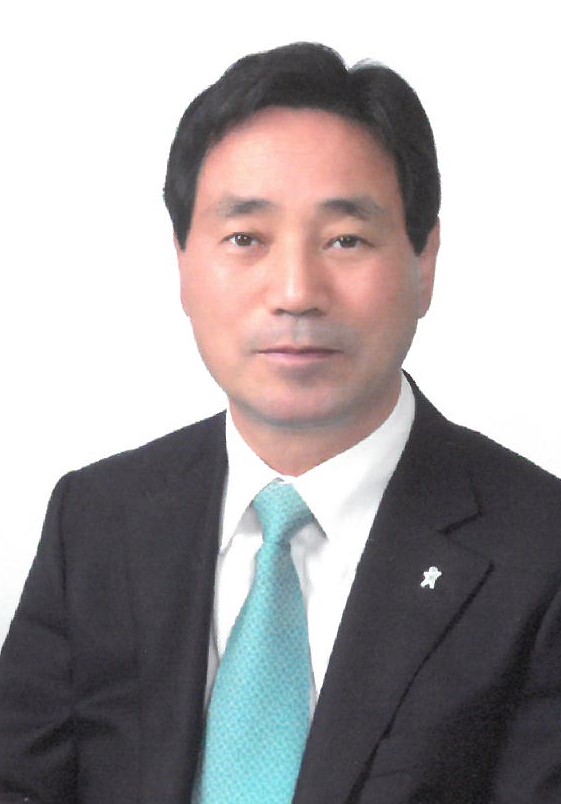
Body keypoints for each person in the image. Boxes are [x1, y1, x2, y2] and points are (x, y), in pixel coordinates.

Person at [1, 42, 561, 804]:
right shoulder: (97, 520)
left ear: (424, 261)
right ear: (182, 262)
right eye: (245, 239)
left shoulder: (540, 554)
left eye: (345, 240)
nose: (295, 291)